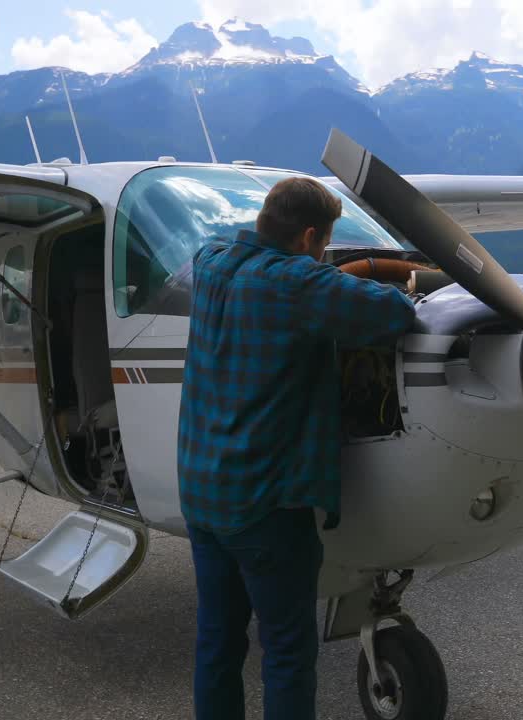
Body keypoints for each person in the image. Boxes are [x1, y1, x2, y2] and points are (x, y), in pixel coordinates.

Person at [178, 177, 417, 720]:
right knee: (286, 651)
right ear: (310, 235)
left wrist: (330, 271)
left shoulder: (211, 261)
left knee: (218, 641)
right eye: (324, 243)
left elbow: (291, 282)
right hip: (264, 505)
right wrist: (400, 276)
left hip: (201, 494)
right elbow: (394, 314)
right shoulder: (297, 285)